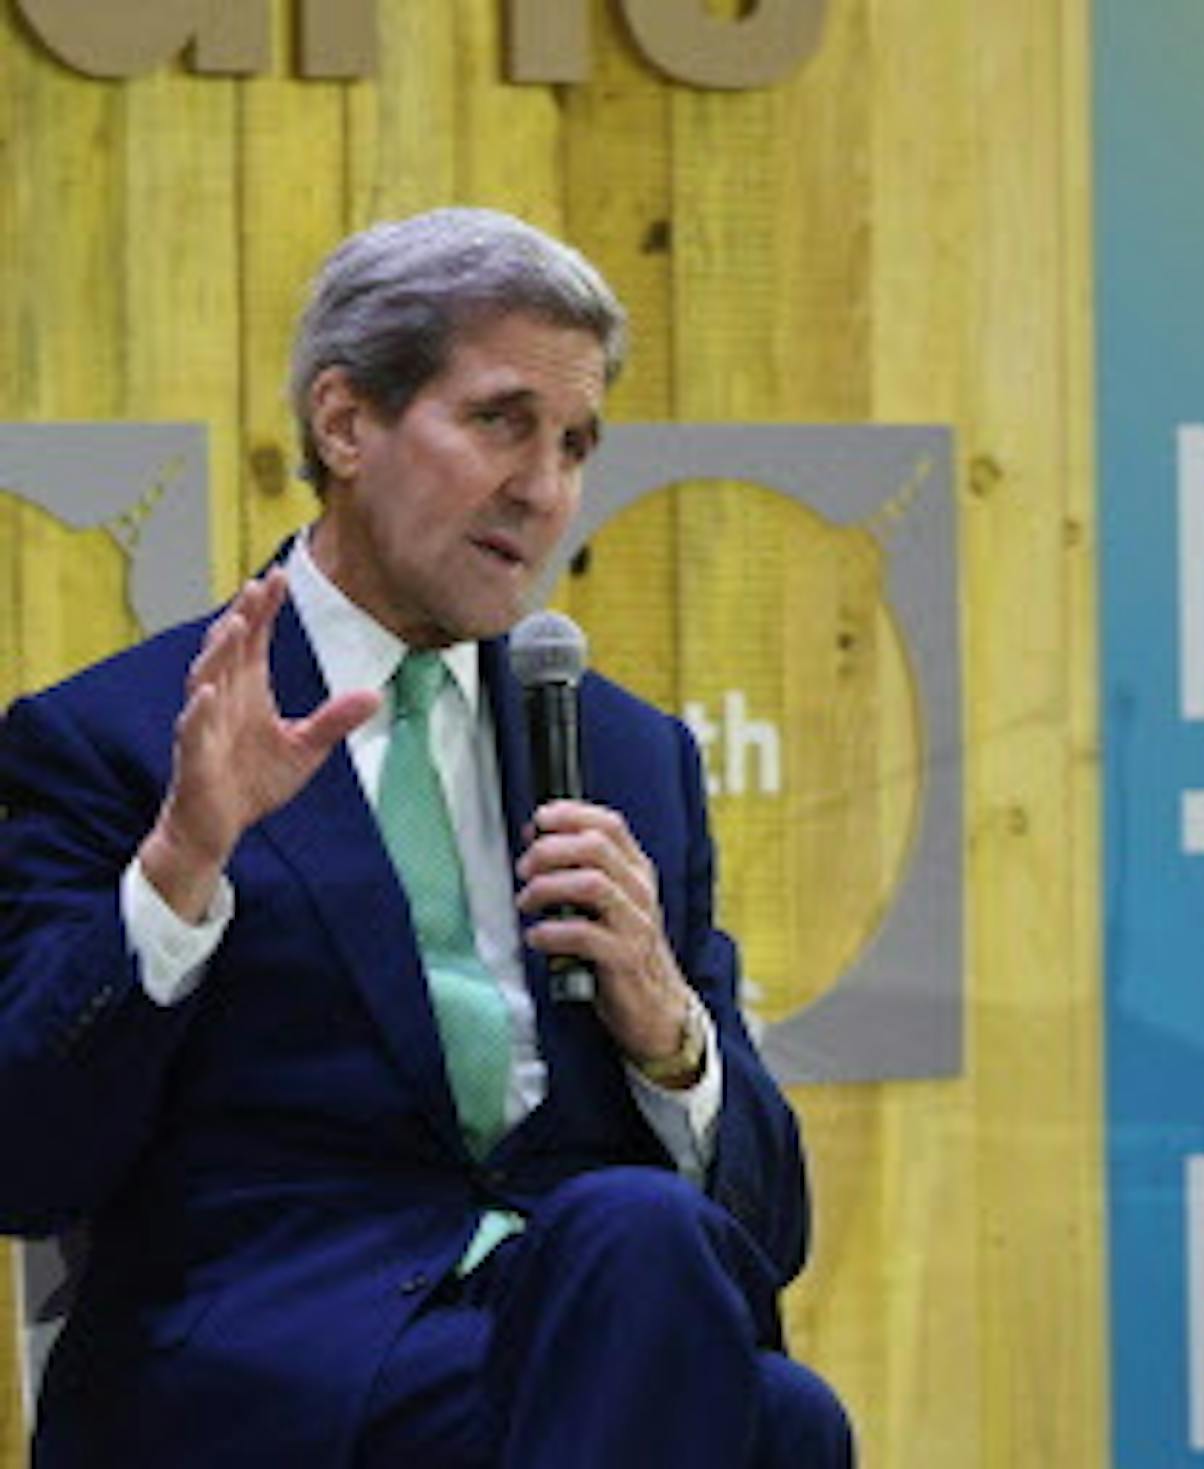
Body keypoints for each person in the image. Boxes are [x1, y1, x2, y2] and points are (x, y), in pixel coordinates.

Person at [0, 208, 852, 1467]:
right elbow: (28, 1159)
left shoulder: (627, 757)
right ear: (346, 424)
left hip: (577, 1315)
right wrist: (180, 866)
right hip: (278, 1357)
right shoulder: (121, 739)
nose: (544, 487)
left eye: (575, 443)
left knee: (642, 1242)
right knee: (772, 1418)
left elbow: (766, 1234)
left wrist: (672, 1034)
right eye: (501, 420)